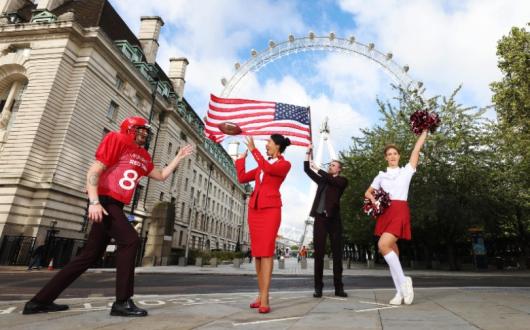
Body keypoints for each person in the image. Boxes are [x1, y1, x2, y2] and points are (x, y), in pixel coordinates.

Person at [23, 116, 194, 316]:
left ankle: (39, 302)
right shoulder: (116, 138)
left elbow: (161, 175)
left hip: (117, 204)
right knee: (130, 240)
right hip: (105, 201)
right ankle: (122, 302)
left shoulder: (143, 155)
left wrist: (178, 157)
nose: (146, 134)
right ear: (130, 129)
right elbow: (95, 170)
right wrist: (94, 201)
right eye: (142, 129)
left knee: (88, 256)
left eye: (147, 131)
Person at [364, 130, 428, 305]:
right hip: (385, 213)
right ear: (386, 158)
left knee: (383, 245)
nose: (392, 156)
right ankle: (399, 292)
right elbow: (368, 192)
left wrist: (424, 132)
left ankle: (405, 281)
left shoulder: (407, 171)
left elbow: (416, 150)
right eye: (389, 154)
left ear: (399, 156)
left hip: (400, 210)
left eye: (394, 154)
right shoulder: (381, 175)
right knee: (392, 253)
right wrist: (375, 201)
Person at [235, 134, 291, 314]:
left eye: (269, 142)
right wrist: (240, 160)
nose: (266, 145)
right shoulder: (261, 166)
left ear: (278, 146)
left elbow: (267, 167)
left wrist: (253, 150)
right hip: (255, 210)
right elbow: (242, 178)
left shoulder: (284, 164)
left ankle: (265, 297)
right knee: (258, 254)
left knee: (266, 253)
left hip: (271, 210)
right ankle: (260, 295)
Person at [304, 147, 348, 298]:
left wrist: (319, 168)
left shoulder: (342, 181)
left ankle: (338, 288)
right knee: (319, 254)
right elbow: (307, 170)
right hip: (320, 219)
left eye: (333, 165)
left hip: (334, 219)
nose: (330, 166)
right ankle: (318, 287)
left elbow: (332, 181)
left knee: (337, 254)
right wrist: (307, 155)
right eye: (329, 164)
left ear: (339, 169)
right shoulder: (323, 180)